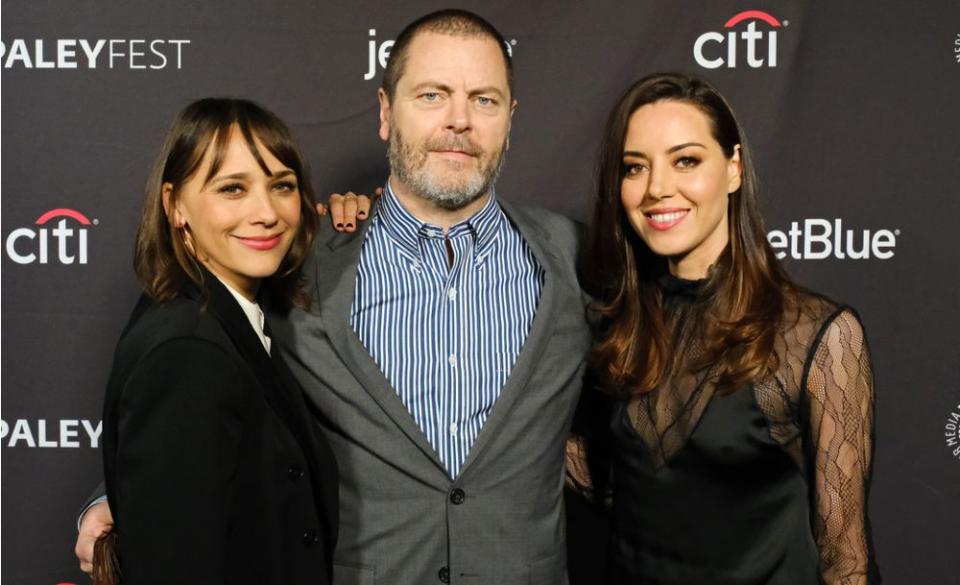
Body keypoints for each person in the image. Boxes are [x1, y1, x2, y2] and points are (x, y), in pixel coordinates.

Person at [78, 10, 592, 585]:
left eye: (485, 100)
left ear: (510, 119)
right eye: (432, 95)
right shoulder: (294, 262)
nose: (459, 121)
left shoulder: (572, 256)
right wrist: (111, 498)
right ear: (384, 111)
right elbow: (199, 389)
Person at [567, 72, 879, 584]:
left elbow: (845, 561)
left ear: (733, 168)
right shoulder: (615, 326)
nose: (657, 189)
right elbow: (609, 482)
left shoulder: (814, 336)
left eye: (685, 160)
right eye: (634, 168)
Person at [93, 98, 338, 584]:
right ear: (175, 205)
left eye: (282, 186)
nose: (266, 212)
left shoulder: (225, 317)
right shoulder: (188, 353)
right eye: (233, 189)